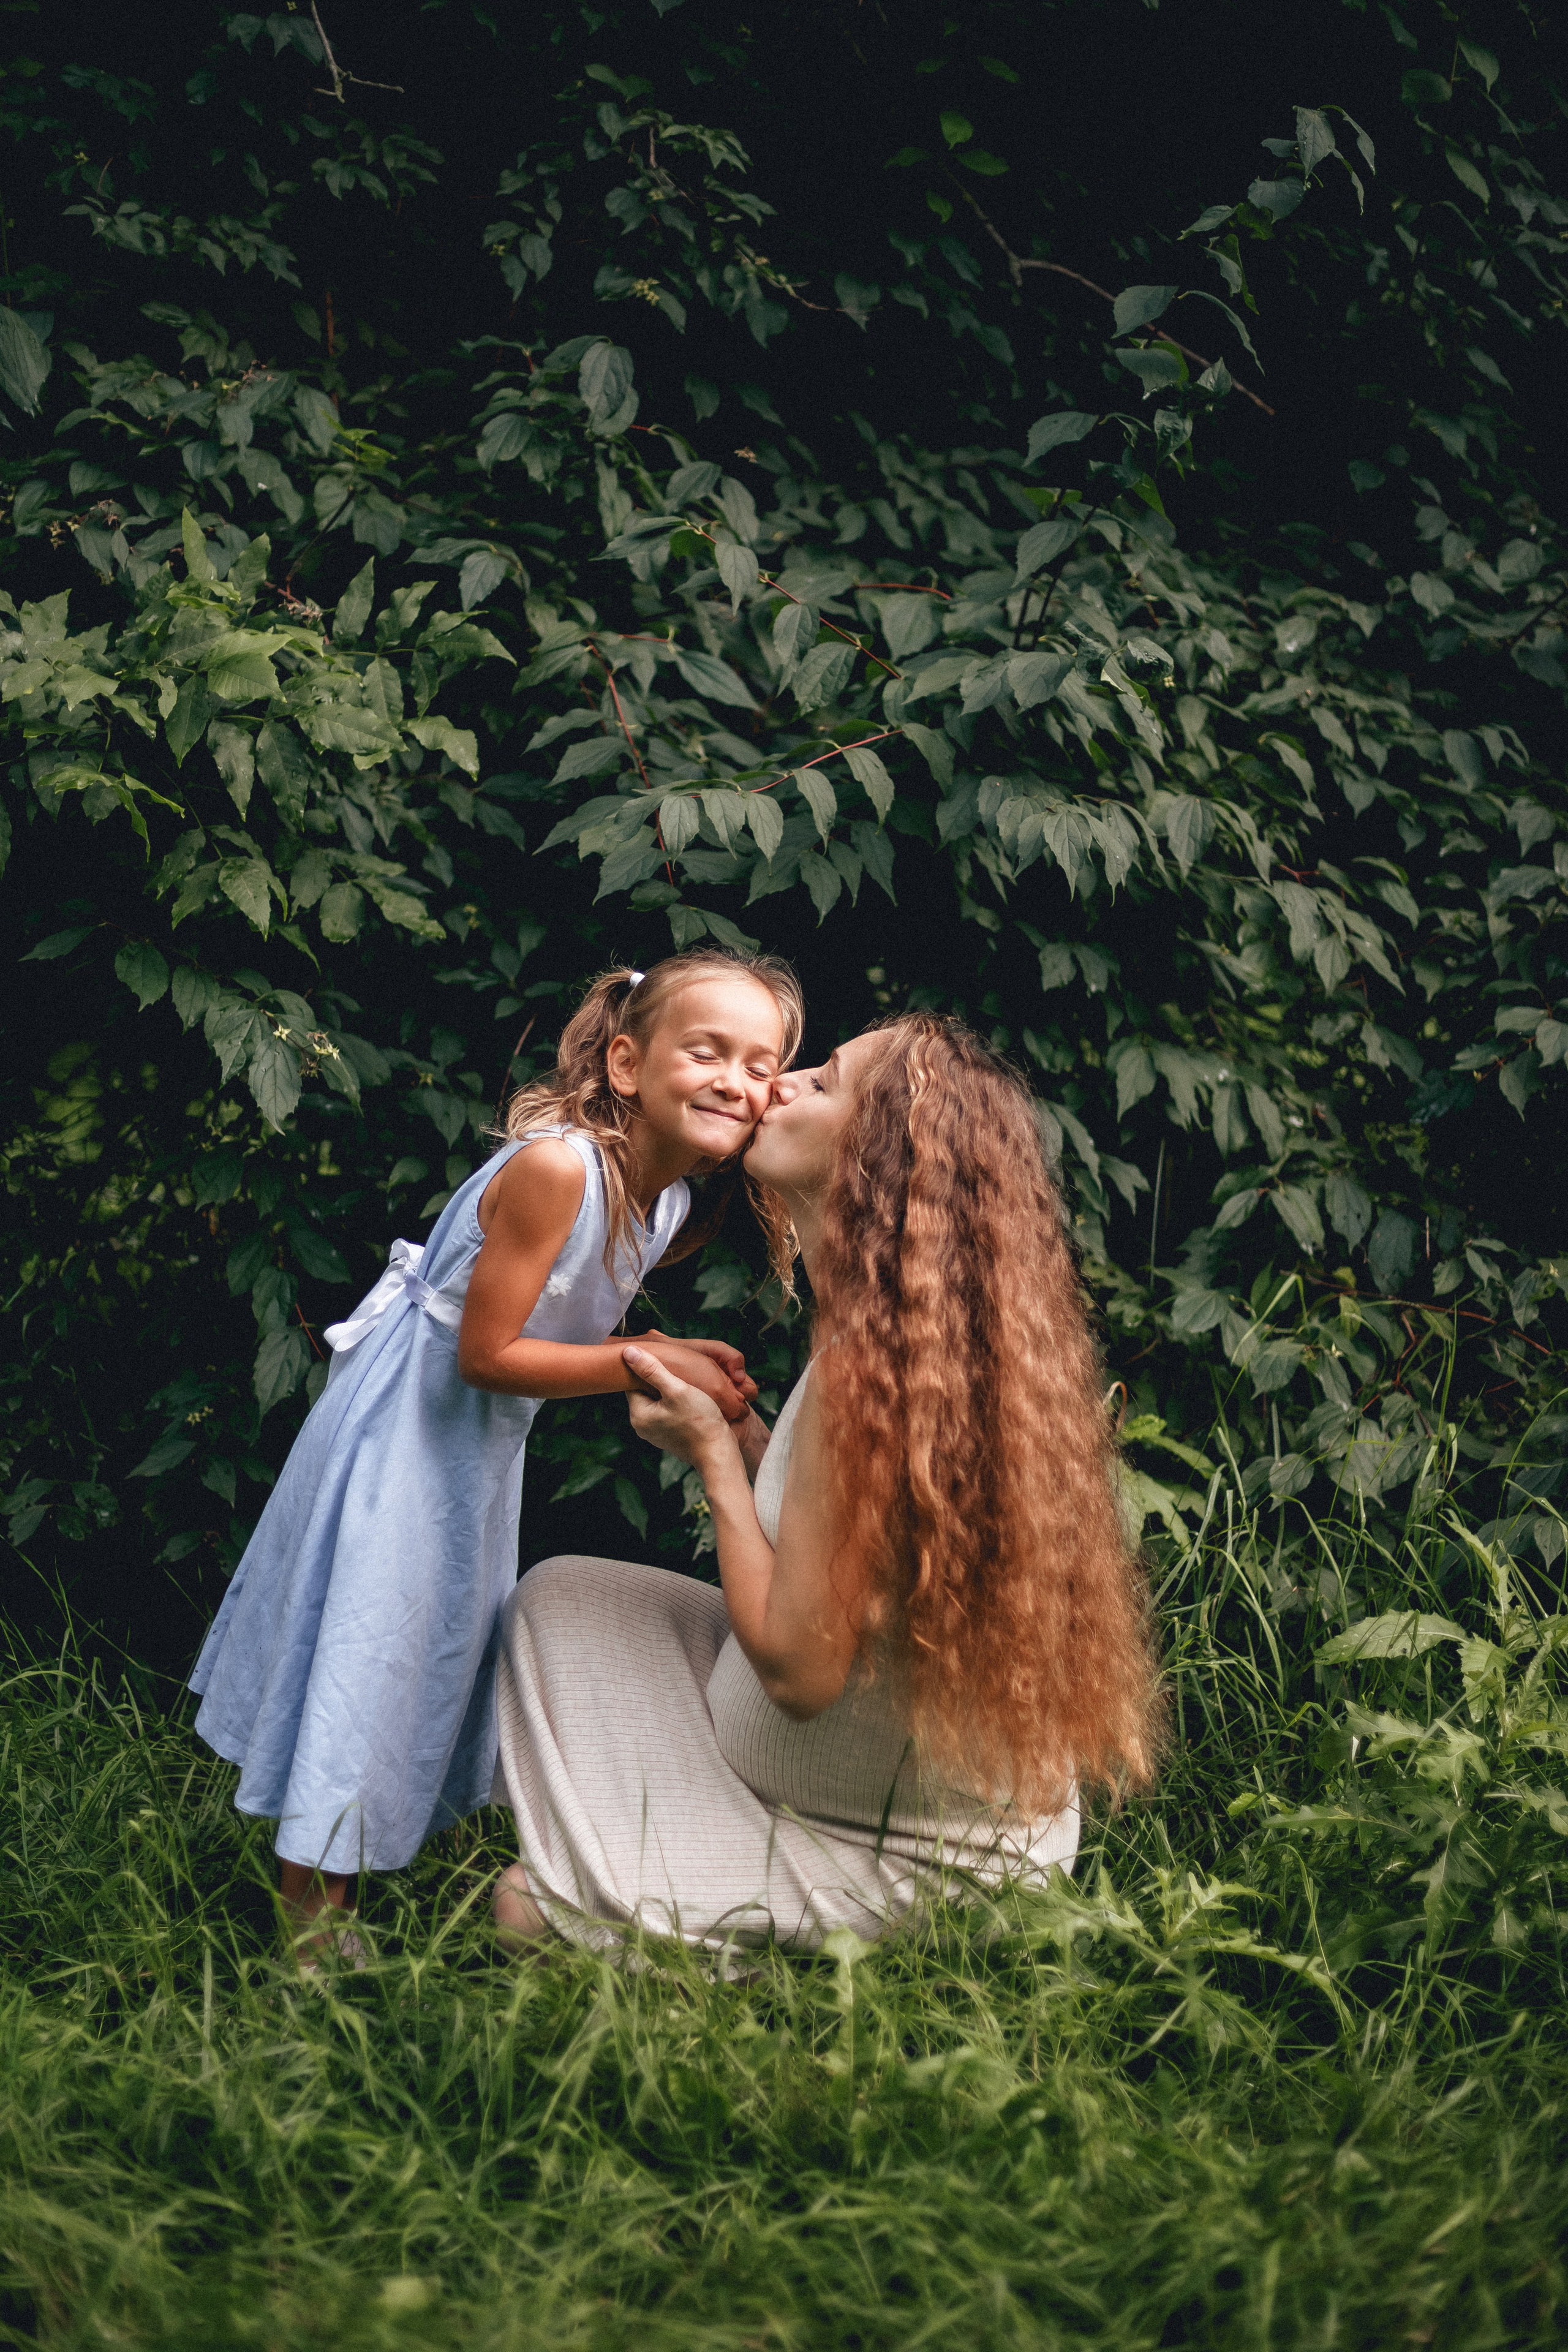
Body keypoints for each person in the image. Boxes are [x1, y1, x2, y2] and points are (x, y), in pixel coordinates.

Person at [490, 1013, 1164, 1957]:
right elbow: (846, 1548)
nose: (782, 1082)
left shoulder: (873, 1370)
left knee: (526, 1907)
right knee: (564, 1598)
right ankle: (659, 1839)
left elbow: (800, 1676)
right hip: (850, 1780)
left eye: (824, 1081)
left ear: (878, 1159)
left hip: (914, 1856)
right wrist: (752, 1442)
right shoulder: (891, 1336)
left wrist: (712, 1457)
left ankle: (752, 1937)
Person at [189, 946, 803, 1957]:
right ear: (625, 1065)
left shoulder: (668, 1202)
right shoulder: (558, 1169)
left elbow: (569, 1320)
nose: (736, 1081)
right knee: (368, 1655)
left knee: (423, 1648)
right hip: (406, 1434)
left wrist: (668, 1355)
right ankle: (310, 1921)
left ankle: (350, 1864)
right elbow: (486, 1354)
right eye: (706, 1052)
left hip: (474, 1449)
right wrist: (646, 1359)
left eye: (761, 1065)